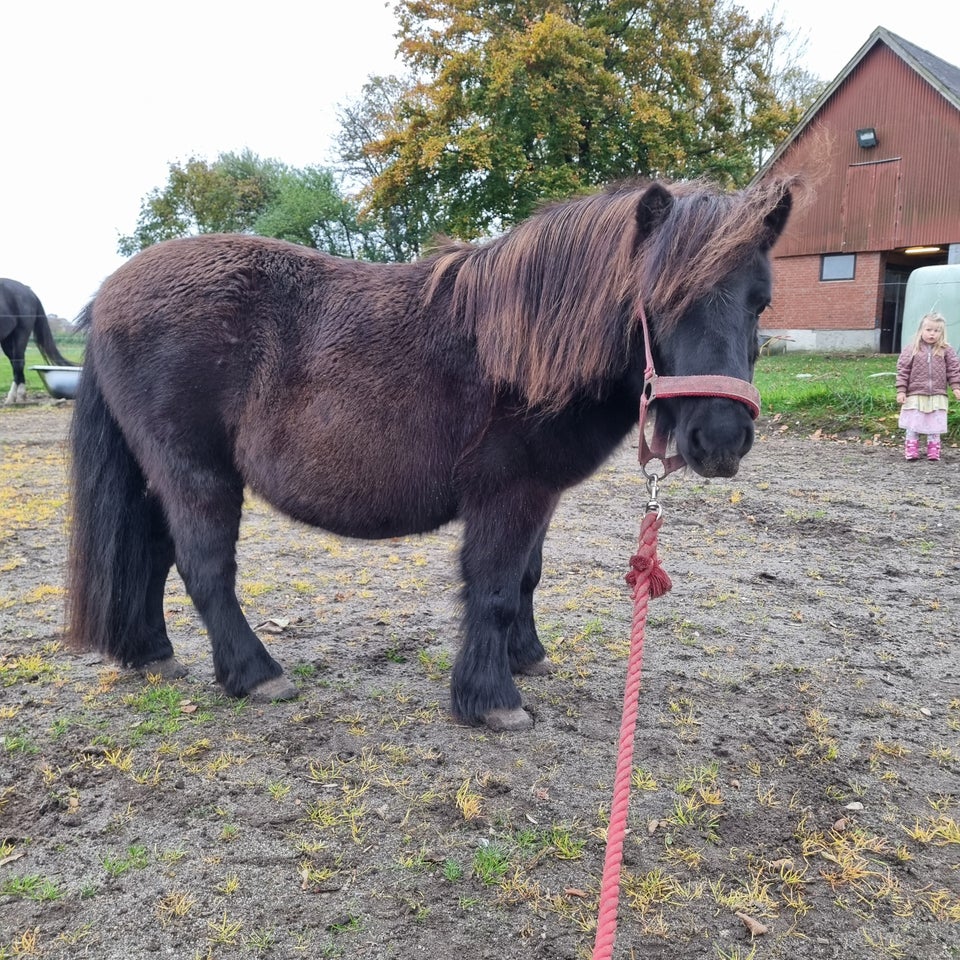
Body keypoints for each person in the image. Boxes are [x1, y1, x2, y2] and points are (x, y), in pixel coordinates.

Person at [896, 312, 960, 461]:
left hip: (937, 394)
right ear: (921, 330)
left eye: (936, 331)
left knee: (934, 423)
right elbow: (903, 370)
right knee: (914, 423)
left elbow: (953, 369)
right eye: (929, 330)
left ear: (942, 333)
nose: (932, 334)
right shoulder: (911, 349)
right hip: (915, 393)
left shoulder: (946, 350)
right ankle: (911, 449)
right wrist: (901, 390)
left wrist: (956, 387)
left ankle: (933, 450)